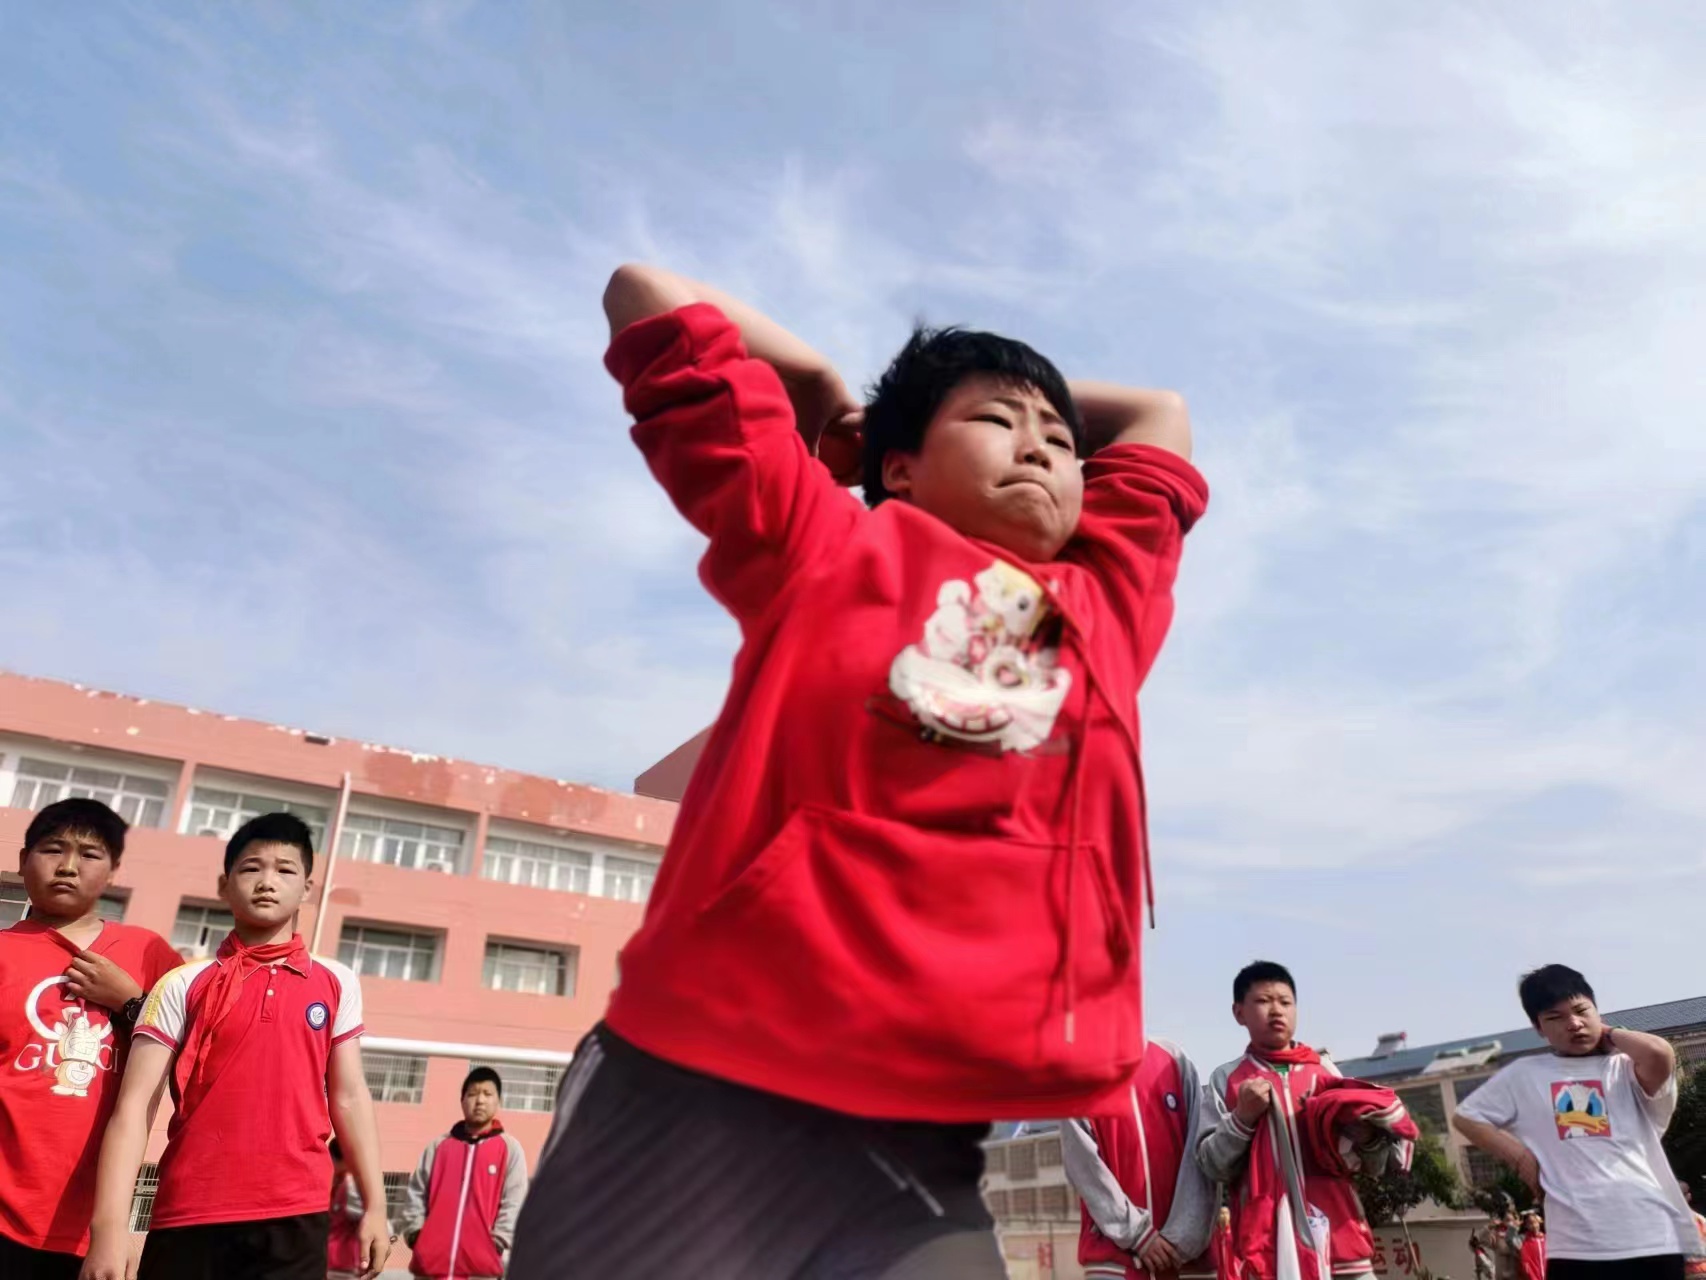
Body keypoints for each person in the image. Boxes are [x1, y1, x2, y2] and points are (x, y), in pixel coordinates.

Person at [510, 264, 1206, 1280]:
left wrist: (971, 397)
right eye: (998, 423)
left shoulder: (1104, 603)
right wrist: (847, 398)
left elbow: (1161, 411)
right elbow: (640, 293)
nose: (1042, 448)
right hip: (697, 1093)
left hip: (923, 1144)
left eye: (1060, 439)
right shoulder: (822, 540)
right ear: (901, 466)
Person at [80, 813, 390, 1280]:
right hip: (188, 1214)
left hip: (296, 1216)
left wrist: (376, 1206)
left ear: (307, 887)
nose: (268, 881)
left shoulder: (338, 982)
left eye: (285, 870)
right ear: (225, 886)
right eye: (251, 868)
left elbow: (349, 1096)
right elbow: (134, 1109)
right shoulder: (181, 983)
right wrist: (108, 1230)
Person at [0, 799, 183, 1280]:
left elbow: (201, 1055)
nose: (67, 866)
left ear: (113, 871)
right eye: (52, 849)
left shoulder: (149, 953)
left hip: (95, 1223)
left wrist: (129, 1002)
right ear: (22, 862)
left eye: (89, 854)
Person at [1453, 965, 1704, 1280]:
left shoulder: (1624, 1068)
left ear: (1597, 1010)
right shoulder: (1526, 1074)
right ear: (1539, 1028)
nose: (1573, 1024)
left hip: (1651, 1236)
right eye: (1554, 1018)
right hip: (1575, 1246)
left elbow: (1660, 1053)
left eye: (1581, 1010)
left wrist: (1609, 1033)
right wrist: (1522, 1159)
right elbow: (1467, 1117)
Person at [1196, 961, 1406, 1280]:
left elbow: (1375, 1167)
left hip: (1341, 1244)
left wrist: (1367, 1138)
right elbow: (1211, 1165)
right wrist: (1242, 1119)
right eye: (1263, 1001)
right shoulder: (1226, 1080)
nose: (1277, 1010)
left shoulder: (1327, 1074)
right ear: (1239, 1013)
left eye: (1285, 1002)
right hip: (1268, 1249)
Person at [1063, 1039, 1217, 1280]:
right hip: (1114, 1263)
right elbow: (1084, 1169)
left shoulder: (1174, 1060)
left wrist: (1182, 1237)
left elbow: (1200, 1153)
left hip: (1188, 1263)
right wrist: (1138, 1235)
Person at [401, 1066, 528, 1279]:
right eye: (472, 1094)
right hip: (431, 1269)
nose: (480, 1100)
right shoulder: (439, 1146)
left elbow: (515, 1201)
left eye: (488, 1094)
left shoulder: (509, 1149)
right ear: (462, 1101)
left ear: (499, 1102)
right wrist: (417, 1236)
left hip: (480, 1270)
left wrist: (495, 1244)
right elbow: (416, 1193)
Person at [326, 1139, 366, 1280]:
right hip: (326, 1263)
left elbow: (377, 1224)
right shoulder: (333, 1182)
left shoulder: (352, 1186)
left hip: (344, 1266)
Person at [1520, 1213, 1548, 1280]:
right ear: (1526, 1226)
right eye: (1530, 1223)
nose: (1534, 1225)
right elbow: (1525, 1264)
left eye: (1535, 1222)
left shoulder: (1546, 1239)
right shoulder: (1524, 1241)